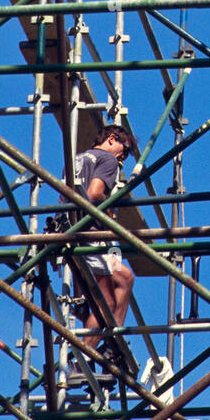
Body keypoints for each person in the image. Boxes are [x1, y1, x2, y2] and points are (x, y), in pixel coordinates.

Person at [66, 125, 136, 358]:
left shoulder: (77, 158)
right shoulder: (108, 160)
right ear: (112, 139)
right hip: (88, 234)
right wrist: (108, 211)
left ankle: (110, 337)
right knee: (105, 300)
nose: (123, 159)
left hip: (68, 229)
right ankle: (87, 354)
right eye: (124, 151)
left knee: (124, 277)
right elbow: (95, 193)